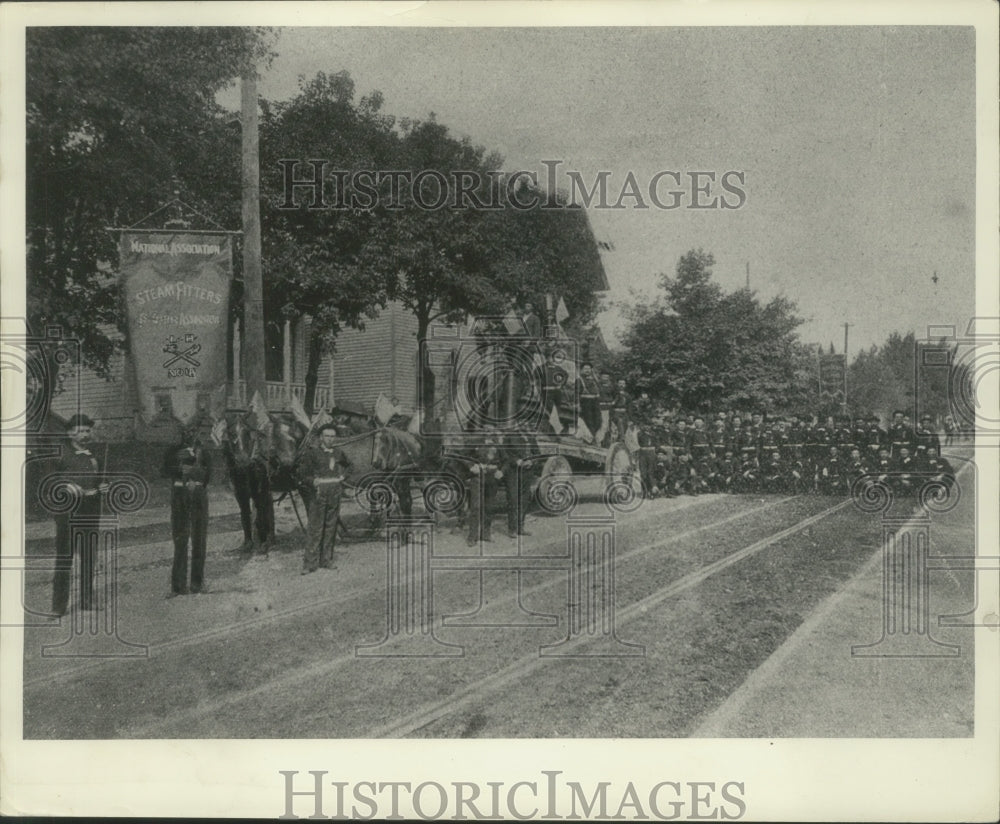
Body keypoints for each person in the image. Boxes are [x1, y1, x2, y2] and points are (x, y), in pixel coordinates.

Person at [50, 414, 108, 616]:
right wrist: (67, 486)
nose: (85, 435)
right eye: (81, 431)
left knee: (89, 557)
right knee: (64, 559)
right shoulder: (60, 453)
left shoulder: (94, 456)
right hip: (68, 514)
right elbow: (48, 481)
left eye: (87, 430)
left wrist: (103, 487)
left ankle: (86, 600)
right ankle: (58, 607)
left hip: (91, 512)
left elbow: (100, 481)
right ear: (70, 433)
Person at [162, 420, 213, 596]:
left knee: (199, 539)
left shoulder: (203, 452)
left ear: (198, 432)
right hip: (179, 495)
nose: (190, 434)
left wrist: (196, 478)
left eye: (194, 431)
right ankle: (178, 586)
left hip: (198, 496)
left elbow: (209, 474)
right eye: (186, 431)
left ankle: (197, 584)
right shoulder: (173, 451)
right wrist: (179, 467)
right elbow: (163, 471)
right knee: (180, 538)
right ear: (181, 432)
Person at [296, 423, 353, 574]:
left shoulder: (338, 452)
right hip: (319, 493)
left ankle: (326, 560)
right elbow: (302, 473)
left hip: (334, 492)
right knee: (315, 528)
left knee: (331, 527)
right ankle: (309, 564)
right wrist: (312, 481)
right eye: (327, 436)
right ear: (321, 437)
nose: (330, 439)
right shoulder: (312, 453)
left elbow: (349, 466)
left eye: (333, 436)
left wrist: (343, 476)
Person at [465, 430, 502, 546]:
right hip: (477, 478)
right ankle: (472, 536)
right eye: (486, 430)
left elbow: (506, 459)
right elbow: (464, 456)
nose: (489, 432)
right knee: (476, 507)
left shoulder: (498, 444)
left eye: (491, 430)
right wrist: (471, 466)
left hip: (491, 479)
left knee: (489, 507)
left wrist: (500, 470)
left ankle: (486, 534)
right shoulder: (475, 442)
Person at [498, 426, 536, 537]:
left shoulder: (531, 437)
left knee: (524, 500)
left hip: (527, 473)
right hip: (513, 473)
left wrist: (532, 461)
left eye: (528, 422)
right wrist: (516, 461)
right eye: (522, 422)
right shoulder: (509, 437)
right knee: (513, 500)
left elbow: (537, 453)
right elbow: (504, 455)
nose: (526, 424)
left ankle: (521, 528)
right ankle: (512, 529)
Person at [576, 362, 603, 438]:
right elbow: (576, 394)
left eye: (589, 369)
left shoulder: (594, 380)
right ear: (581, 370)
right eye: (585, 369)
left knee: (598, 421)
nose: (587, 370)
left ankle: (592, 436)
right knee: (589, 421)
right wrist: (578, 405)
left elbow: (599, 391)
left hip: (595, 403)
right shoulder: (579, 380)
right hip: (585, 403)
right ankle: (590, 438)